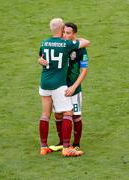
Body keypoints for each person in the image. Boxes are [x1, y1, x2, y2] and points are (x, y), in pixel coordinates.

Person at [38, 18, 90, 157]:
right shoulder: (65, 44)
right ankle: (63, 143)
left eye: (69, 33)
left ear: (74, 34)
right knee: (59, 114)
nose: (66, 35)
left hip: (72, 88)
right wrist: (39, 60)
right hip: (60, 87)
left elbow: (84, 69)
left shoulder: (79, 50)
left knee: (76, 116)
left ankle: (76, 144)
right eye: (64, 32)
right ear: (61, 31)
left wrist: (74, 86)